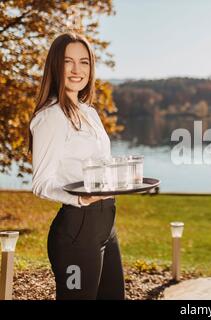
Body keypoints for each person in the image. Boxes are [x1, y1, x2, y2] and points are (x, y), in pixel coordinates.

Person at [28, 32, 125, 300]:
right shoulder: (51, 117)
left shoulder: (89, 112)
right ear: (55, 66)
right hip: (77, 232)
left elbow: (98, 163)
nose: (76, 69)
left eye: (84, 62)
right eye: (68, 61)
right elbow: (41, 184)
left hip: (106, 226)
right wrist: (80, 198)